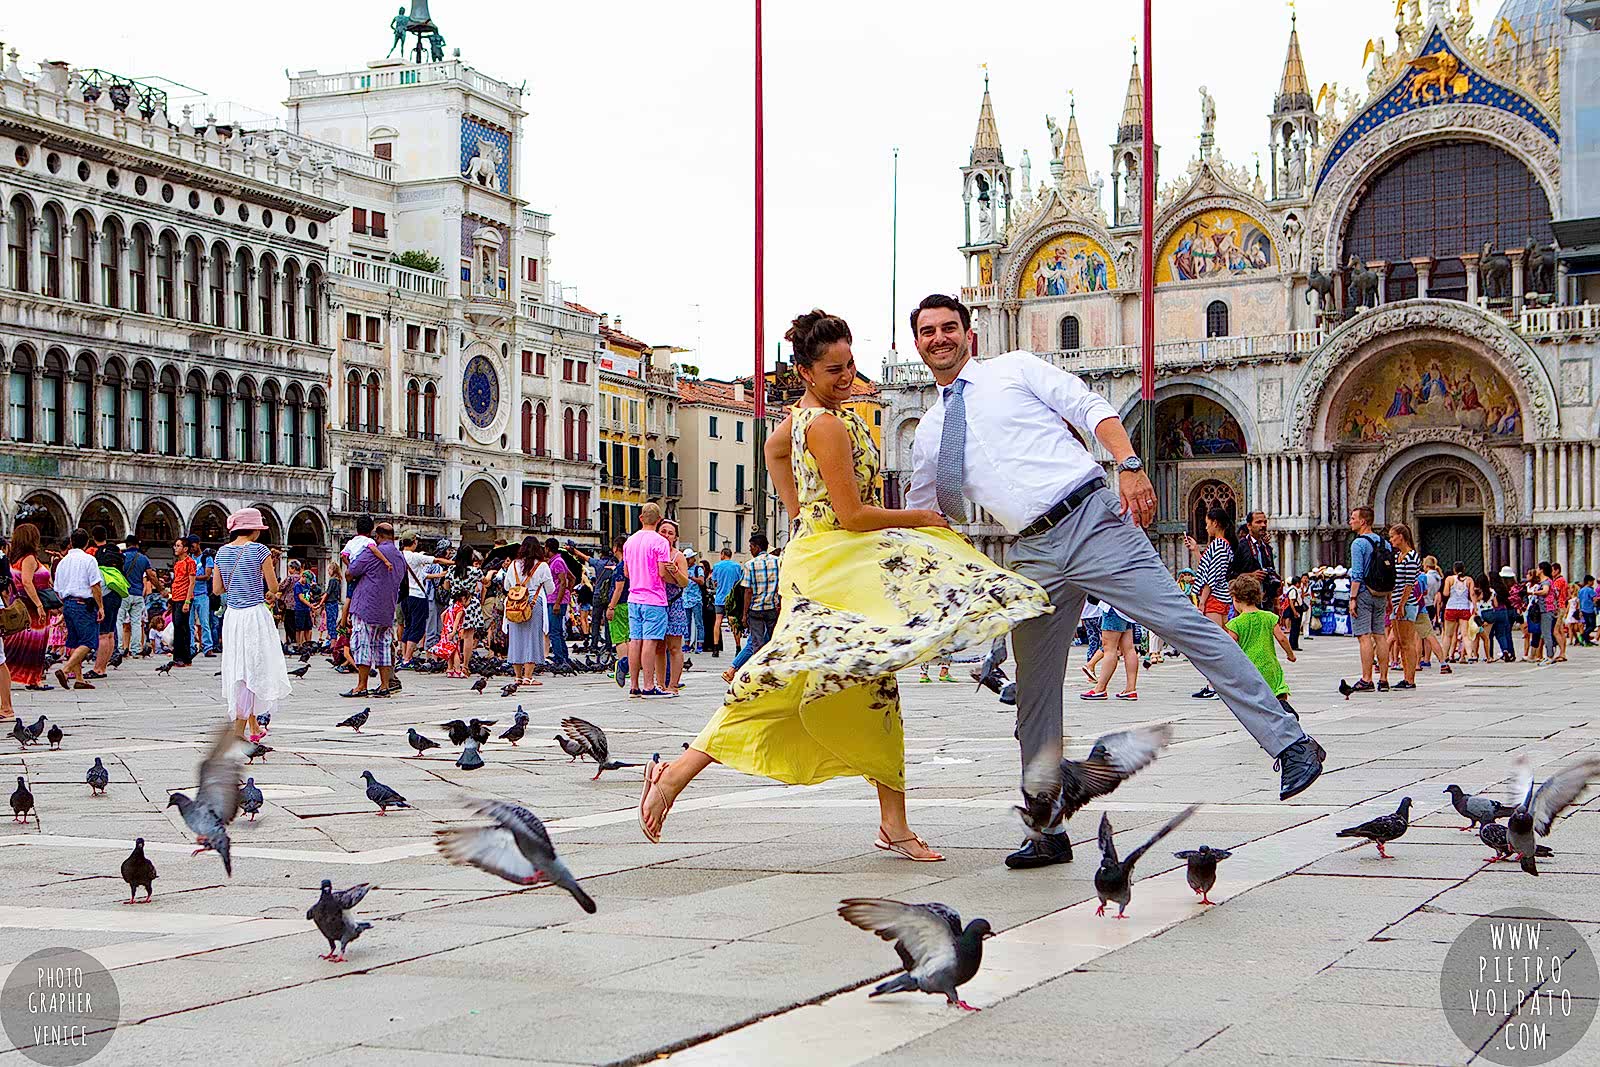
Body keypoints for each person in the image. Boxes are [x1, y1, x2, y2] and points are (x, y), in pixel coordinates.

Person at [899, 293, 1322, 870]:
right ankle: (1046, 827)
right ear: (916, 343)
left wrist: (1128, 465)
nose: (940, 338)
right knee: (1035, 692)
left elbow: (1089, 404)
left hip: (1091, 518)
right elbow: (923, 512)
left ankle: (1290, 742)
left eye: (950, 327)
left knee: (1183, 624)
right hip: (1030, 552)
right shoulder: (927, 432)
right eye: (928, 331)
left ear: (970, 335)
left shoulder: (1014, 369)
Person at [638, 308, 1049, 861]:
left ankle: (891, 822)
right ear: (806, 371)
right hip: (837, 560)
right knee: (792, 676)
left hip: (825, 553)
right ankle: (676, 777)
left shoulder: (804, 417)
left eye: (850, 364)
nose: (847, 377)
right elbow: (854, 515)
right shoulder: (827, 424)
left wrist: (798, 514)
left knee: (869, 682)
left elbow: (773, 452)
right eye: (834, 370)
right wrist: (920, 518)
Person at [212, 509, 292, 740]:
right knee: (254, 670)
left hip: (233, 617)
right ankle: (239, 732)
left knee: (239, 668)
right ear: (255, 529)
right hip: (255, 616)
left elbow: (217, 589)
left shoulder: (222, 553)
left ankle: (254, 725)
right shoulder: (260, 550)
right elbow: (274, 587)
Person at [344, 522, 406, 698]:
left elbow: (351, 572)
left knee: (362, 644)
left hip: (366, 605)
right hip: (387, 608)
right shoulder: (400, 556)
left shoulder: (372, 551)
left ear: (377, 536)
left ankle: (361, 685)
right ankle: (385, 685)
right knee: (384, 646)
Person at [1183, 507, 1237, 699]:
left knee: (1213, 645)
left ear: (1215, 523)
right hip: (1220, 598)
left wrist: (1202, 602)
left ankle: (1216, 685)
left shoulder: (1219, 546)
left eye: (1207, 523)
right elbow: (1206, 568)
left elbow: (1210, 578)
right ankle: (1215, 683)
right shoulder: (1223, 545)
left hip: (1214, 598)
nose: (1206, 527)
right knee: (1220, 642)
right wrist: (1196, 550)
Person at [1226, 575, 1298, 718]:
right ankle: (1283, 709)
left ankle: (1264, 715)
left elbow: (1229, 646)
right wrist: (1291, 655)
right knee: (1278, 690)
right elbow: (1282, 638)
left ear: (1236, 599)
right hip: (1270, 665)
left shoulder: (1235, 624)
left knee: (1256, 697)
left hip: (1250, 668)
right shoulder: (1268, 617)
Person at [624, 504, 673, 697]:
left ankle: (634, 685)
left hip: (633, 597)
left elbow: (626, 572)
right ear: (659, 519)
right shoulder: (660, 542)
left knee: (635, 641)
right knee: (650, 643)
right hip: (654, 598)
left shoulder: (629, 542)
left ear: (641, 518)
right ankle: (649, 685)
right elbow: (662, 572)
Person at [722, 531, 781, 684]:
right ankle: (769, 672)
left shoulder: (750, 565)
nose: (749, 550)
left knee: (756, 642)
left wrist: (744, 614)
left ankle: (756, 675)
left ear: (756, 547)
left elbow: (747, 590)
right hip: (772, 608)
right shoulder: (778, 562)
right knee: (772, 641)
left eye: (750, 547)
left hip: (756, 609)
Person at [3, 524, 55, 693]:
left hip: (20, 604)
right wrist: (39, 604)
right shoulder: (30, 558)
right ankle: (34, 678)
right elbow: (27, 581)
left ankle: (27, 676)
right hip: (32, 607)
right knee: (36, 643)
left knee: (17, 642)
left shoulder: (14, 559)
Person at [1347, 507, 1392, 692]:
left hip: (1364, 593)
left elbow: (1357, 575)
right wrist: (1388, 596)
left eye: (1353, 518)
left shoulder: (1358, 544)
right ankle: (1383, 679)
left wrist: (1352, 598)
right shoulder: (1385, 543)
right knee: (1380, 635)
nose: (1350, 521)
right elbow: (1389, 573)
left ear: (1363, 521)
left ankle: (1366, 679)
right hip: (1381, 593)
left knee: (1364, 637)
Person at [53, 529, 103, 691]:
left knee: (75, 641)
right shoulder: (89, 560)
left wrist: (63, 609)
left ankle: (79, 679)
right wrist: (100, 606)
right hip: (84, 604)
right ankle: (65, 670)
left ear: (71, 543)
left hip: (68, 604)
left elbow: (58, 589)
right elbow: (95, 585)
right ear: (87, 543)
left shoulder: (63, 562)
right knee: (89, 641)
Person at [502, 537, 553, 687]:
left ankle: (517, 676)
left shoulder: (513, 565)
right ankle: (528, 676)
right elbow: (550, 589)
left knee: (516, 638)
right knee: (533, 638)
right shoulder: (542, 566)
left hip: (514, 603)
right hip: (533, 602)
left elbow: (506, 586)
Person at [656, 519, 691, 693]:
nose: (666, 535)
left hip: (674, 603)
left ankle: (673, 685)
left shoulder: (678, 556)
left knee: (675, 647)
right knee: (659, 647)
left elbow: (685, 582)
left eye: (670, 533)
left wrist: (675, 571)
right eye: (663, 531)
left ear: (675, 537)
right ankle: (660, 684)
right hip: (657, 603)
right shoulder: (653, 553)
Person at [1386, 523, 1422, 690]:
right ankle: (1405, 676)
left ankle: (1410, 679)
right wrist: (1390, 601)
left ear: (1401, 536)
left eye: (1393, 536)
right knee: (1399, 642)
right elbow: (1394, 581)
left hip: (1406, 603)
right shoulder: (1396, 556)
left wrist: (1400, 604)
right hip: (1395, 603)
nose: (1391, 539)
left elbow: (1409, 584)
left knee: (1407, 642)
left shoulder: (1412, 556)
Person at [86, 527, 125, 680]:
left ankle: (98, 669)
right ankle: (103, 666)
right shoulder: (115, 551)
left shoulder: (93, 553)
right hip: (116, 592)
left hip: (104, 594)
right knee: (110, 633)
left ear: (93, 537)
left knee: (102, 634)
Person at [1080, 603, 1138, 700]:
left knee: (1109, 648)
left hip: (1113, 608)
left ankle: (1100, 689)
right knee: (1129, 649)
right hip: (1126, 608)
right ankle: (1131, 689)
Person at [1240, 511, 1281, 618]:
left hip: (1267, 600)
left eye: (1265, 522)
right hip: (1248, 601)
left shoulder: (1267, 548)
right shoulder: (1241, 547)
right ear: (1249, 525)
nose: (1263, 525)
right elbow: (1230, 575)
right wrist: (1251, 575)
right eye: (1258, 522)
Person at [543, 537, 576, 669]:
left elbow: (564, 581)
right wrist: (569, 591)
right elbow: (572, 578)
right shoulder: (557, 561)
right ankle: (563, 656)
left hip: (555, 600)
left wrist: (560, 600)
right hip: (557, 598)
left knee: (554, 631)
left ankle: (559, 658)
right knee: (557, 630)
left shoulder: (557, 562)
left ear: (548, 548)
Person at [117, 534, 151, 658]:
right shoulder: (143, 558)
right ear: (137, 544)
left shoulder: (121, 558)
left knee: (119, 621)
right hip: (138, 595)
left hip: (124, 593)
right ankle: (136, 649)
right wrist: (161, 589)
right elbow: (150, 575)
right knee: (136, 622)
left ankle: (120, 649)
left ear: (126, 545)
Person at [1440, 561, 1473, 668]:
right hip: (1464, 607)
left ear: (1454, 569)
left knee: (1448, 635)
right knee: (1465, 634)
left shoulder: (1449, 579)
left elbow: (1445, 593)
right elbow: (1472, 594)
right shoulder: (1469, 580)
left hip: (1451, 607)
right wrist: (1475, 607)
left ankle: (1445, 656)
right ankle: (1470, 655)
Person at [709, 547, 742, 657]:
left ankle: (715, 648)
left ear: (723, 554)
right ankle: (738, 647)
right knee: (734, 623)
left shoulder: (717, 566)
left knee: (717, 622)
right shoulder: (736, 566)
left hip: (720, 598)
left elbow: (715, 582)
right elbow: (739, 582)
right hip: (732, 599)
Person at [191, 540, 217, 657]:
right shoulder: (188, 559)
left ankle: (208, 647)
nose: (191, 548)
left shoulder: (206, 558)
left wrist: (192, 578)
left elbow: (207, 576)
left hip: (202, 594)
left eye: (193, 545)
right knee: (189, 623)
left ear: (198, 544)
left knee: (205, 622)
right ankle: (191, 647)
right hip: (190, 594)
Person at [681, 548, 705, 653]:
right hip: (685, 599)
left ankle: (700, 643)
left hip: (696, 599)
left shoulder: (698, 569)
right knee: (686, 623)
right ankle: (687, 643)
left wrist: (691, 577)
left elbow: (701, 581)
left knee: (699, 622)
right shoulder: (683, 568)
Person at [1549, 562, 1570, 663]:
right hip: (1562, 606)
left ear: (1556, 570)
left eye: (1552, 570)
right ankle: (1562, 652)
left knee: (1556, 631)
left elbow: (1554, 593)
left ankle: (1562, 653)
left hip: (1558, 607)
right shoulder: (1563, 580)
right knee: (1561, 631)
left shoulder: (1558, 581)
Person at [1281, 573, 1305, 651]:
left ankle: (1294, 644)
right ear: (1297, 583)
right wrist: (1295, 612)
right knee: (1295, 628)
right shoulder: (1293, 590)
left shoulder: (1293, 589)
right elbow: (1292, 601)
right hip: (1296, 608)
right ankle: (1293, 644)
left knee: (1296, 628)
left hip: (1296, 608)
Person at [1579, 575, 1597, 646]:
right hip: (1590, 609)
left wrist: (1580, 610)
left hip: (1583, 609)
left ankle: (1586, 640)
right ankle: (1584, 635)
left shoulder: (1581, 590)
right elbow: (1594, 599)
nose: (1593, 583)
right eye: (1592, 581)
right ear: (1589, 581)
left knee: (1588, 625)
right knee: (1593, 625)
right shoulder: (1590, 590)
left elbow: (1579, 600)